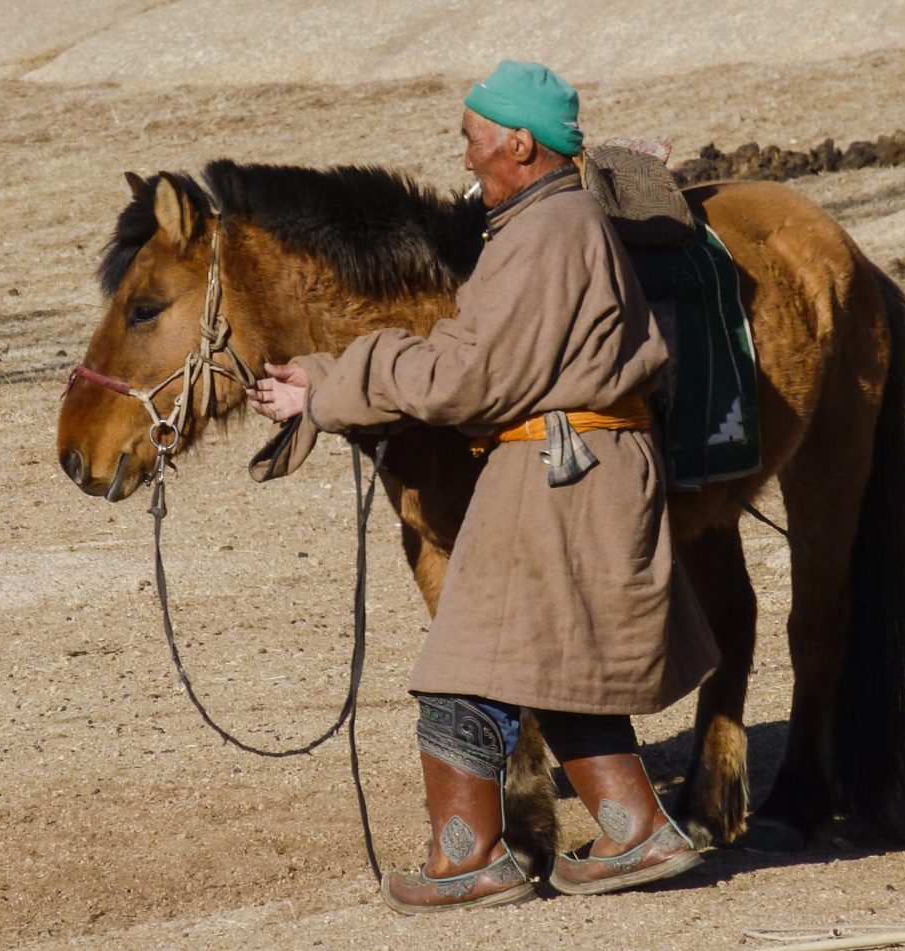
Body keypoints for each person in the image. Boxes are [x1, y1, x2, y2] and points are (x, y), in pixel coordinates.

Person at [247, 60, 719, 913]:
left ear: (519, 144)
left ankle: (467, 860)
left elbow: (468, 376)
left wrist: (328, 384)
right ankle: (635, 830)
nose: (464, 160)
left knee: (463, 665)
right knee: (553, 661)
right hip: (565, 468)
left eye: (472, 141)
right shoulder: (550, 222)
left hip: (561, 474)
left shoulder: (544, 233)